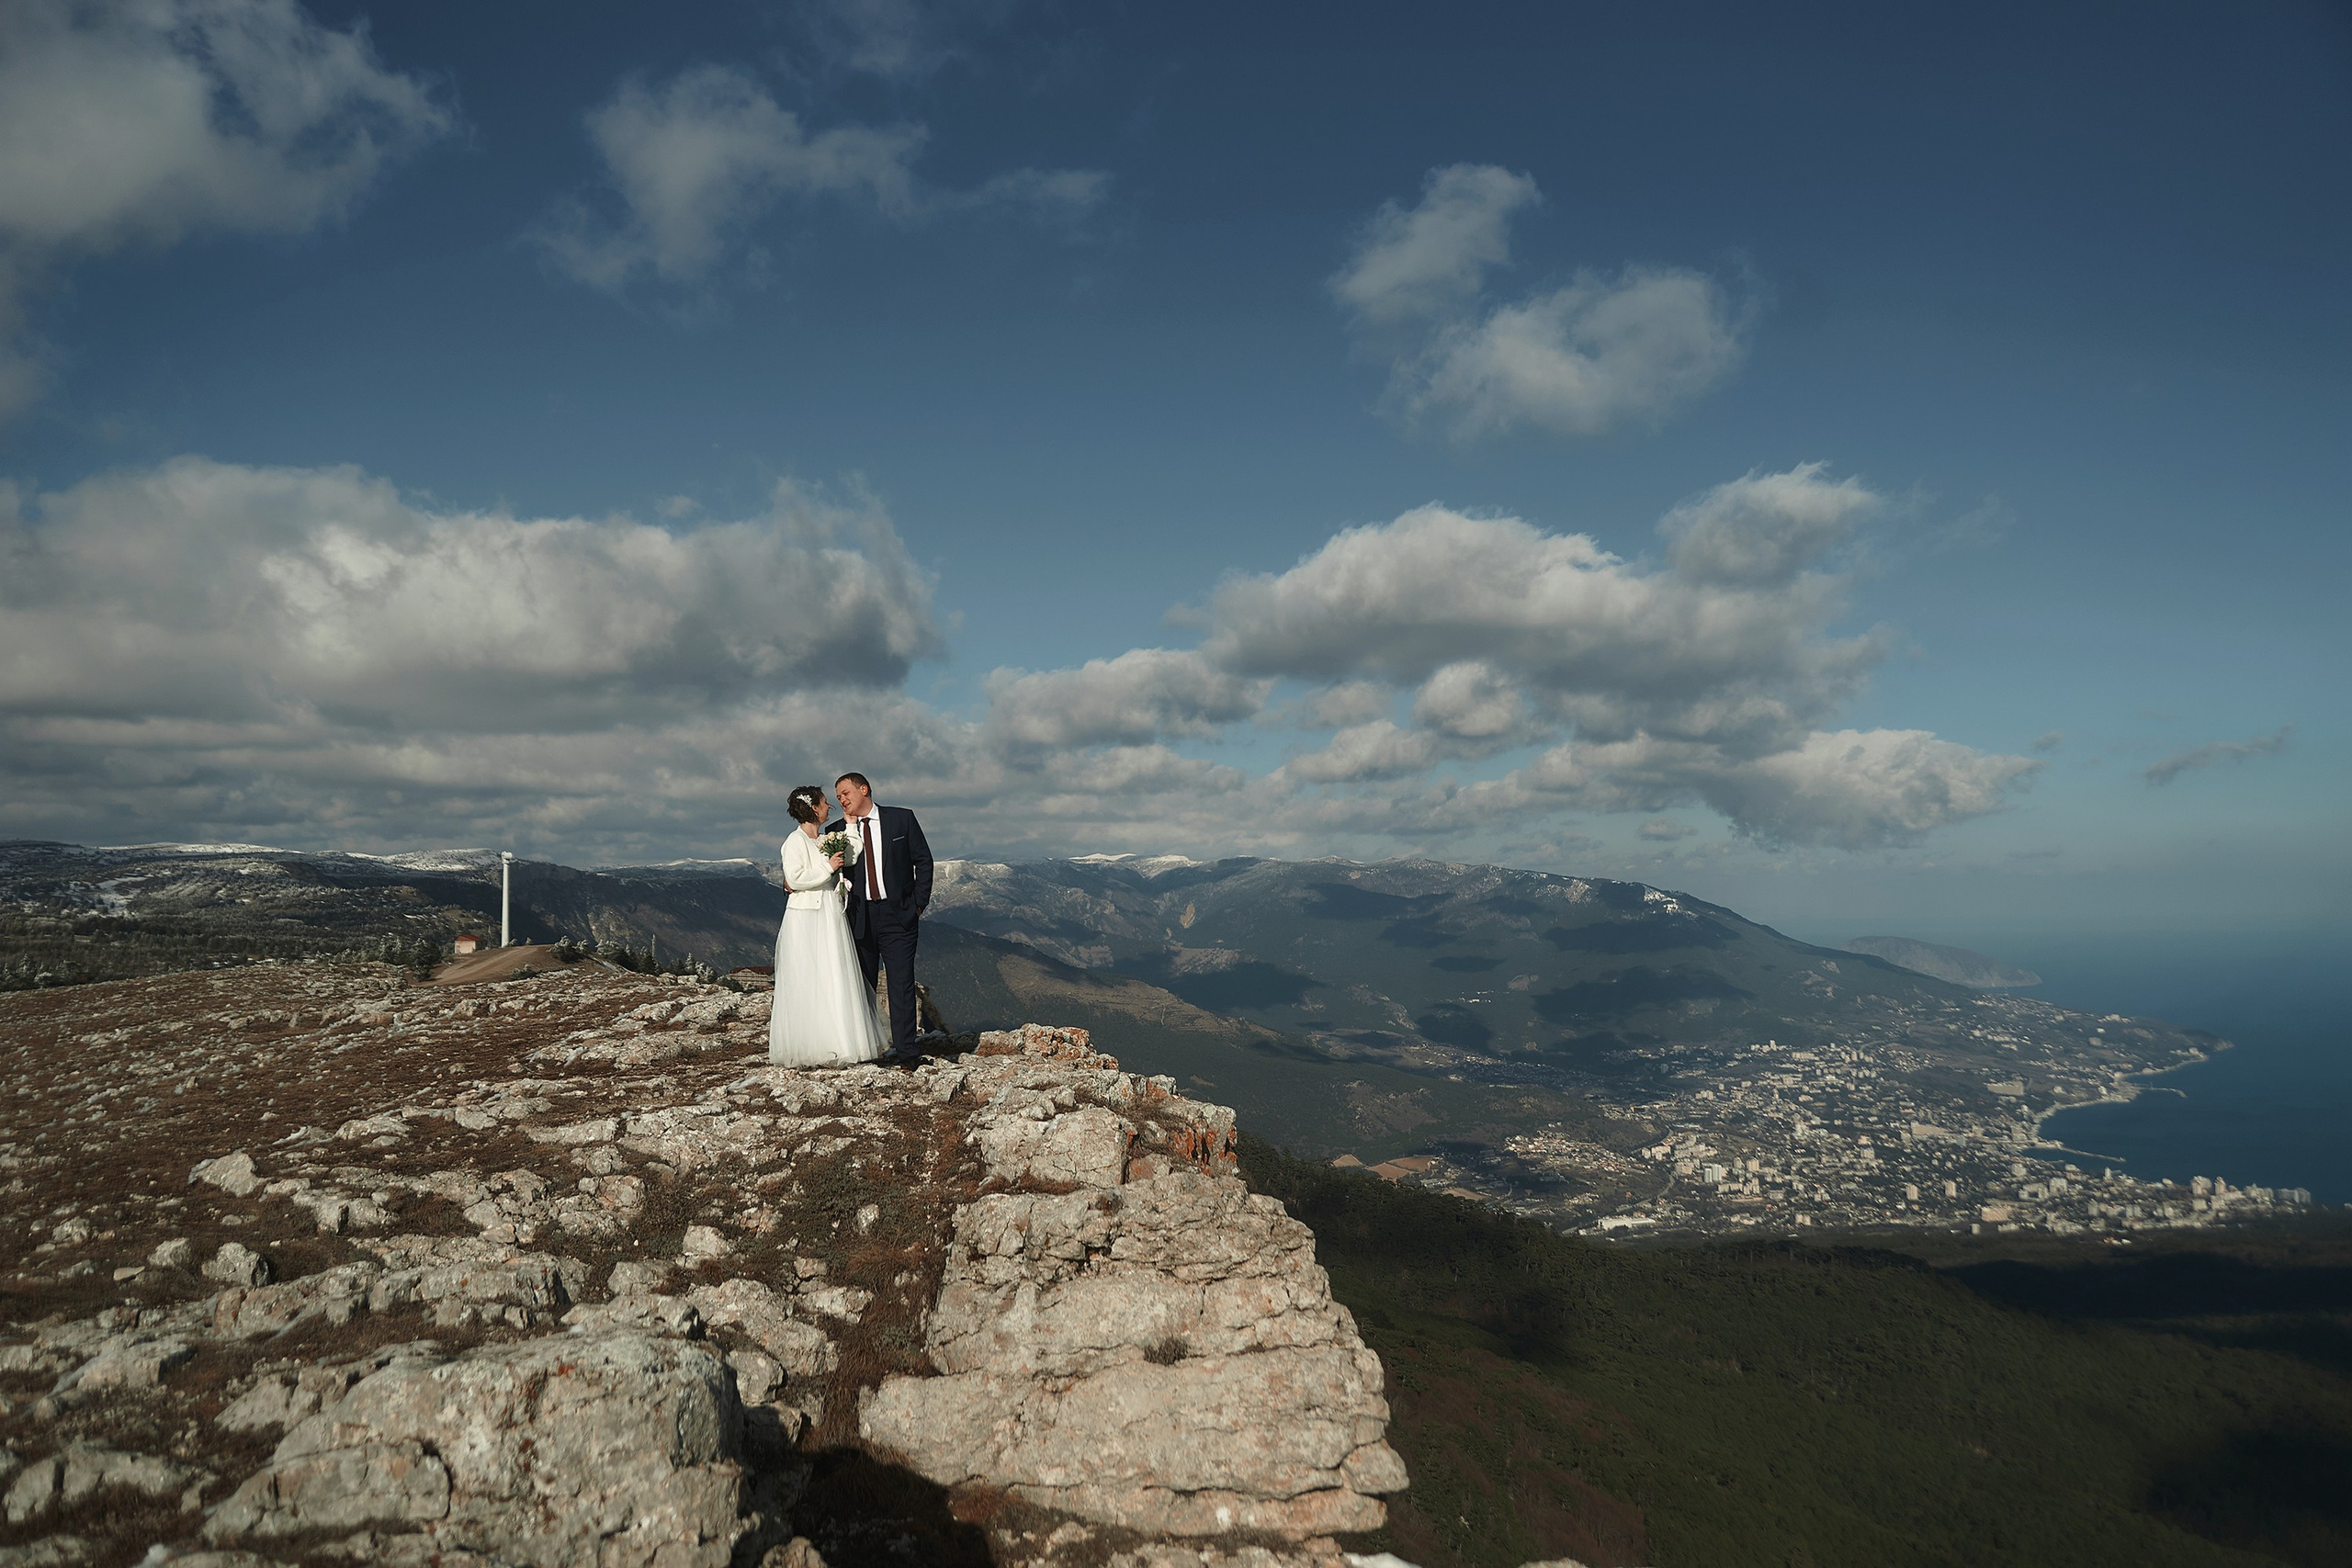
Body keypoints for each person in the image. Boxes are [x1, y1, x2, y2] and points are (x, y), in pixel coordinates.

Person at [768, 784, 887, 1067]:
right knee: (808, 978)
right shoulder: (793, 842)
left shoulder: (824, 839)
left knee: (834, 974)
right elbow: (795, 879)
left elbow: (853, 852)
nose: (829, 807)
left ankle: (839, 1042)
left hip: (830, 914)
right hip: (805, 917)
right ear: (813, 808)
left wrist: (850, 827)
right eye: (824, 803)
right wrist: (829, 869)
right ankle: (812, 1044)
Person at [827, 772, 933, 1060]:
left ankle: (907, 1052)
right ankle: (864, 1050)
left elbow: (923, 861)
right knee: (861, 986)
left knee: (901, 984)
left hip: (898, 914)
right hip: (859, 917)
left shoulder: (902, 819)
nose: (842, 800)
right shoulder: (835, 831)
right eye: (838, 797)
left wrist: (918, 905)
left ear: (864, 789)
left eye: (846, 793)